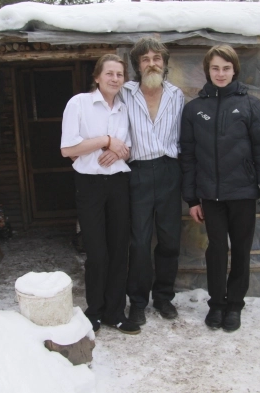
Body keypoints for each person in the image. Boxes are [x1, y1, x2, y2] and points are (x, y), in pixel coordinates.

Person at [180, 45, 260, 332]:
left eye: (226, 68)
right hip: (210, 197)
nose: (220, 73)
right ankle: (217, 304)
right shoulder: (194, 109)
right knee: (216, 250)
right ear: (207, 70)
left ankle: (235, 305)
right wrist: (192, 199)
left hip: (243, 194)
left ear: (234, 69)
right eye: (215, 68)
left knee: (240, 250)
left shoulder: (251, 106)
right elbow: (188, 156)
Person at [60, 54, 140, 335]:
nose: (115, 78)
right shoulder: (79, 103)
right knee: (97, 252)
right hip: (90, 184)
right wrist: (106, 142)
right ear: (97, 77)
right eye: (109, 73)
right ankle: (93, 312)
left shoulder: (125, 108)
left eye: (120, 74)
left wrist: (116, 149)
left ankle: (115, 313)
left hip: (118, 182)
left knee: (120, 250)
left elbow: (128, 147)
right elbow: (68, 149)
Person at [122, 37, 185, 325]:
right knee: (139, 242)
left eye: (156, 58)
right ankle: (137, 301)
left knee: (170, 240)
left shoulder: (177, 95)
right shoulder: (124, 93)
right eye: (145, 59)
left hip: (170, 170)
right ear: (137, 64)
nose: (151, 63)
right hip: (137, 173)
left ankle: (163, 297)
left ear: (164, 62)